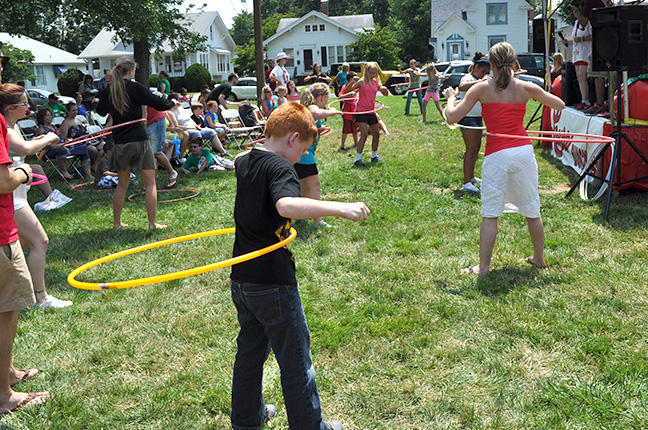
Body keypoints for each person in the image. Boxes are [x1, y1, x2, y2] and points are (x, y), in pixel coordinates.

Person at [230, 102, 369, 430]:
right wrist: (339, 207)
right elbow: (285, 204)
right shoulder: (280, 167)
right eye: (304, 150)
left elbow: (241, 163)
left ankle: (247, 420)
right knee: (295, 362)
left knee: (250, 353)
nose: (301, 157)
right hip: (273, 282)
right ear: (293, 139)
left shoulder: (245, 161)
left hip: (242, 279)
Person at [444, 42, 565, 275]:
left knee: (490, 214)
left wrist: (451, 97)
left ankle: (484, 268)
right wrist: (525, 85)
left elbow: (452, 117)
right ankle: (539, 259)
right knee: (532, 208)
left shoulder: (480, 89)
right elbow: (559, 104)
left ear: (491, 64)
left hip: (497, 154)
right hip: (522, 153)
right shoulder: (525, 87)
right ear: (513, 62)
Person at [2, 83, 74, 309]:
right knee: (40, 241)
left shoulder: (10, 125)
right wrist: (48, 137)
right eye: (24, 104)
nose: (29, 108)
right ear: (11, 108)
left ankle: (21, 287)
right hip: (12, 199)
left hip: (18, 195)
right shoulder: (6, 126)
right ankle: (40, 297)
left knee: (23, 243)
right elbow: (23, 149)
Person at [97, 56, 176, 230]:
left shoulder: (109, 90)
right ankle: (152, 224)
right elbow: (158, 103)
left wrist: (102, 95)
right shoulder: (135, 88)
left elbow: (100, 111)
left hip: (120, 142)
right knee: (150, 183)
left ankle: (117, 224)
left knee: (122, 184)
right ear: (131, 70)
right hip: (139, 140)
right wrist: (171, 102)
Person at [295, 83, 342, 228]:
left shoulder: (306, 106)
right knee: (315, 186)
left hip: (298, 153)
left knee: (304, 187)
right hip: (305, 154)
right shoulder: (312, 107)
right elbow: (315, 113)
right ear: (321, 97)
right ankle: (318, 221)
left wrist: (317, 129)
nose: (327, 102)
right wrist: (332, 112)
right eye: (327, 98)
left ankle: (298, 215)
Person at [456, 52, 491, 193]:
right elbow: (462, 86)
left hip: (477, 117)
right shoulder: (468, 77)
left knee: (476, 148)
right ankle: (466, 183)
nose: (483, 75)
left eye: (485, 73)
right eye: (482, 71)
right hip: (468, 117)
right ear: (476, 66)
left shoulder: (477, 79)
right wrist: (481, 82)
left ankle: (471, 177)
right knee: (470, 149)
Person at [347, 62, 389, 167]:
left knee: (376, 134)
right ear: (366, 72)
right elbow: (347, 90)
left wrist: (385, 90)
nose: (373, 75)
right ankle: (358, 159)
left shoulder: (376, 83)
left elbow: (386, 94)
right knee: (364, 134)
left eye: (375, 73)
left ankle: (374, 156)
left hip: (371, 111)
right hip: (361, 111)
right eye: (371, 73)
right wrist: (351, 82)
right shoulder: (362, 82)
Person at [59, 103, 96, 181]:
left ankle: (94, 166)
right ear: (67, 111)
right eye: (73, 110)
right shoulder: (65, 123)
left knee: (102, 147)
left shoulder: (78, 120)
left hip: (84, 141)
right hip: (73, 145)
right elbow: (64, 138)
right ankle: (88, 174)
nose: (75, 112)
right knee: (92, 149)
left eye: (76, 110)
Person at [146, 103, 178, 189]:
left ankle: (172, 172)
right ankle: (151, 183)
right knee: (150, 154)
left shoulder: (137, 91)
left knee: (155, 152)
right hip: (148, 121)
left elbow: (144, 112)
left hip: (155, 121)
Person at [569, 0, 592, 110]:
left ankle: (586, 100)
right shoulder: (576, 23)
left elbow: (593, 36)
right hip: (577, 53)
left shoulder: (587, 22)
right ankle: (583, 99)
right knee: (579, 76)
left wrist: (582, 39)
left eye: (575, 10)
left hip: (585, 52)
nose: (574, 13)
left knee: (582, 76)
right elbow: (574, 38)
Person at [339, 71, 359, 151]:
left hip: (354, 110)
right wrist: (348, 94)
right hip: (347, 111)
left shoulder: (355, 87)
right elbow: (340, 97)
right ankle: (342, 145)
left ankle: (356, 143)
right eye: (355, 79)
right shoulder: (345, 86)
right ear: (351, 79)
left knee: (355, 128)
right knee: (346, 129)